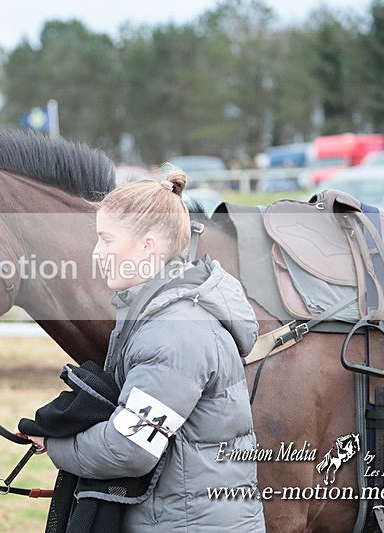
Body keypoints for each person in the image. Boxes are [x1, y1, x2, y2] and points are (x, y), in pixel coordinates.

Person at [22, 166, 266, 531]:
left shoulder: (174, 333)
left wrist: (55, 444)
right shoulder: (152, 315)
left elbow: (130, 448)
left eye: (106, 239)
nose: (97, 252)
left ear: (147, 246)